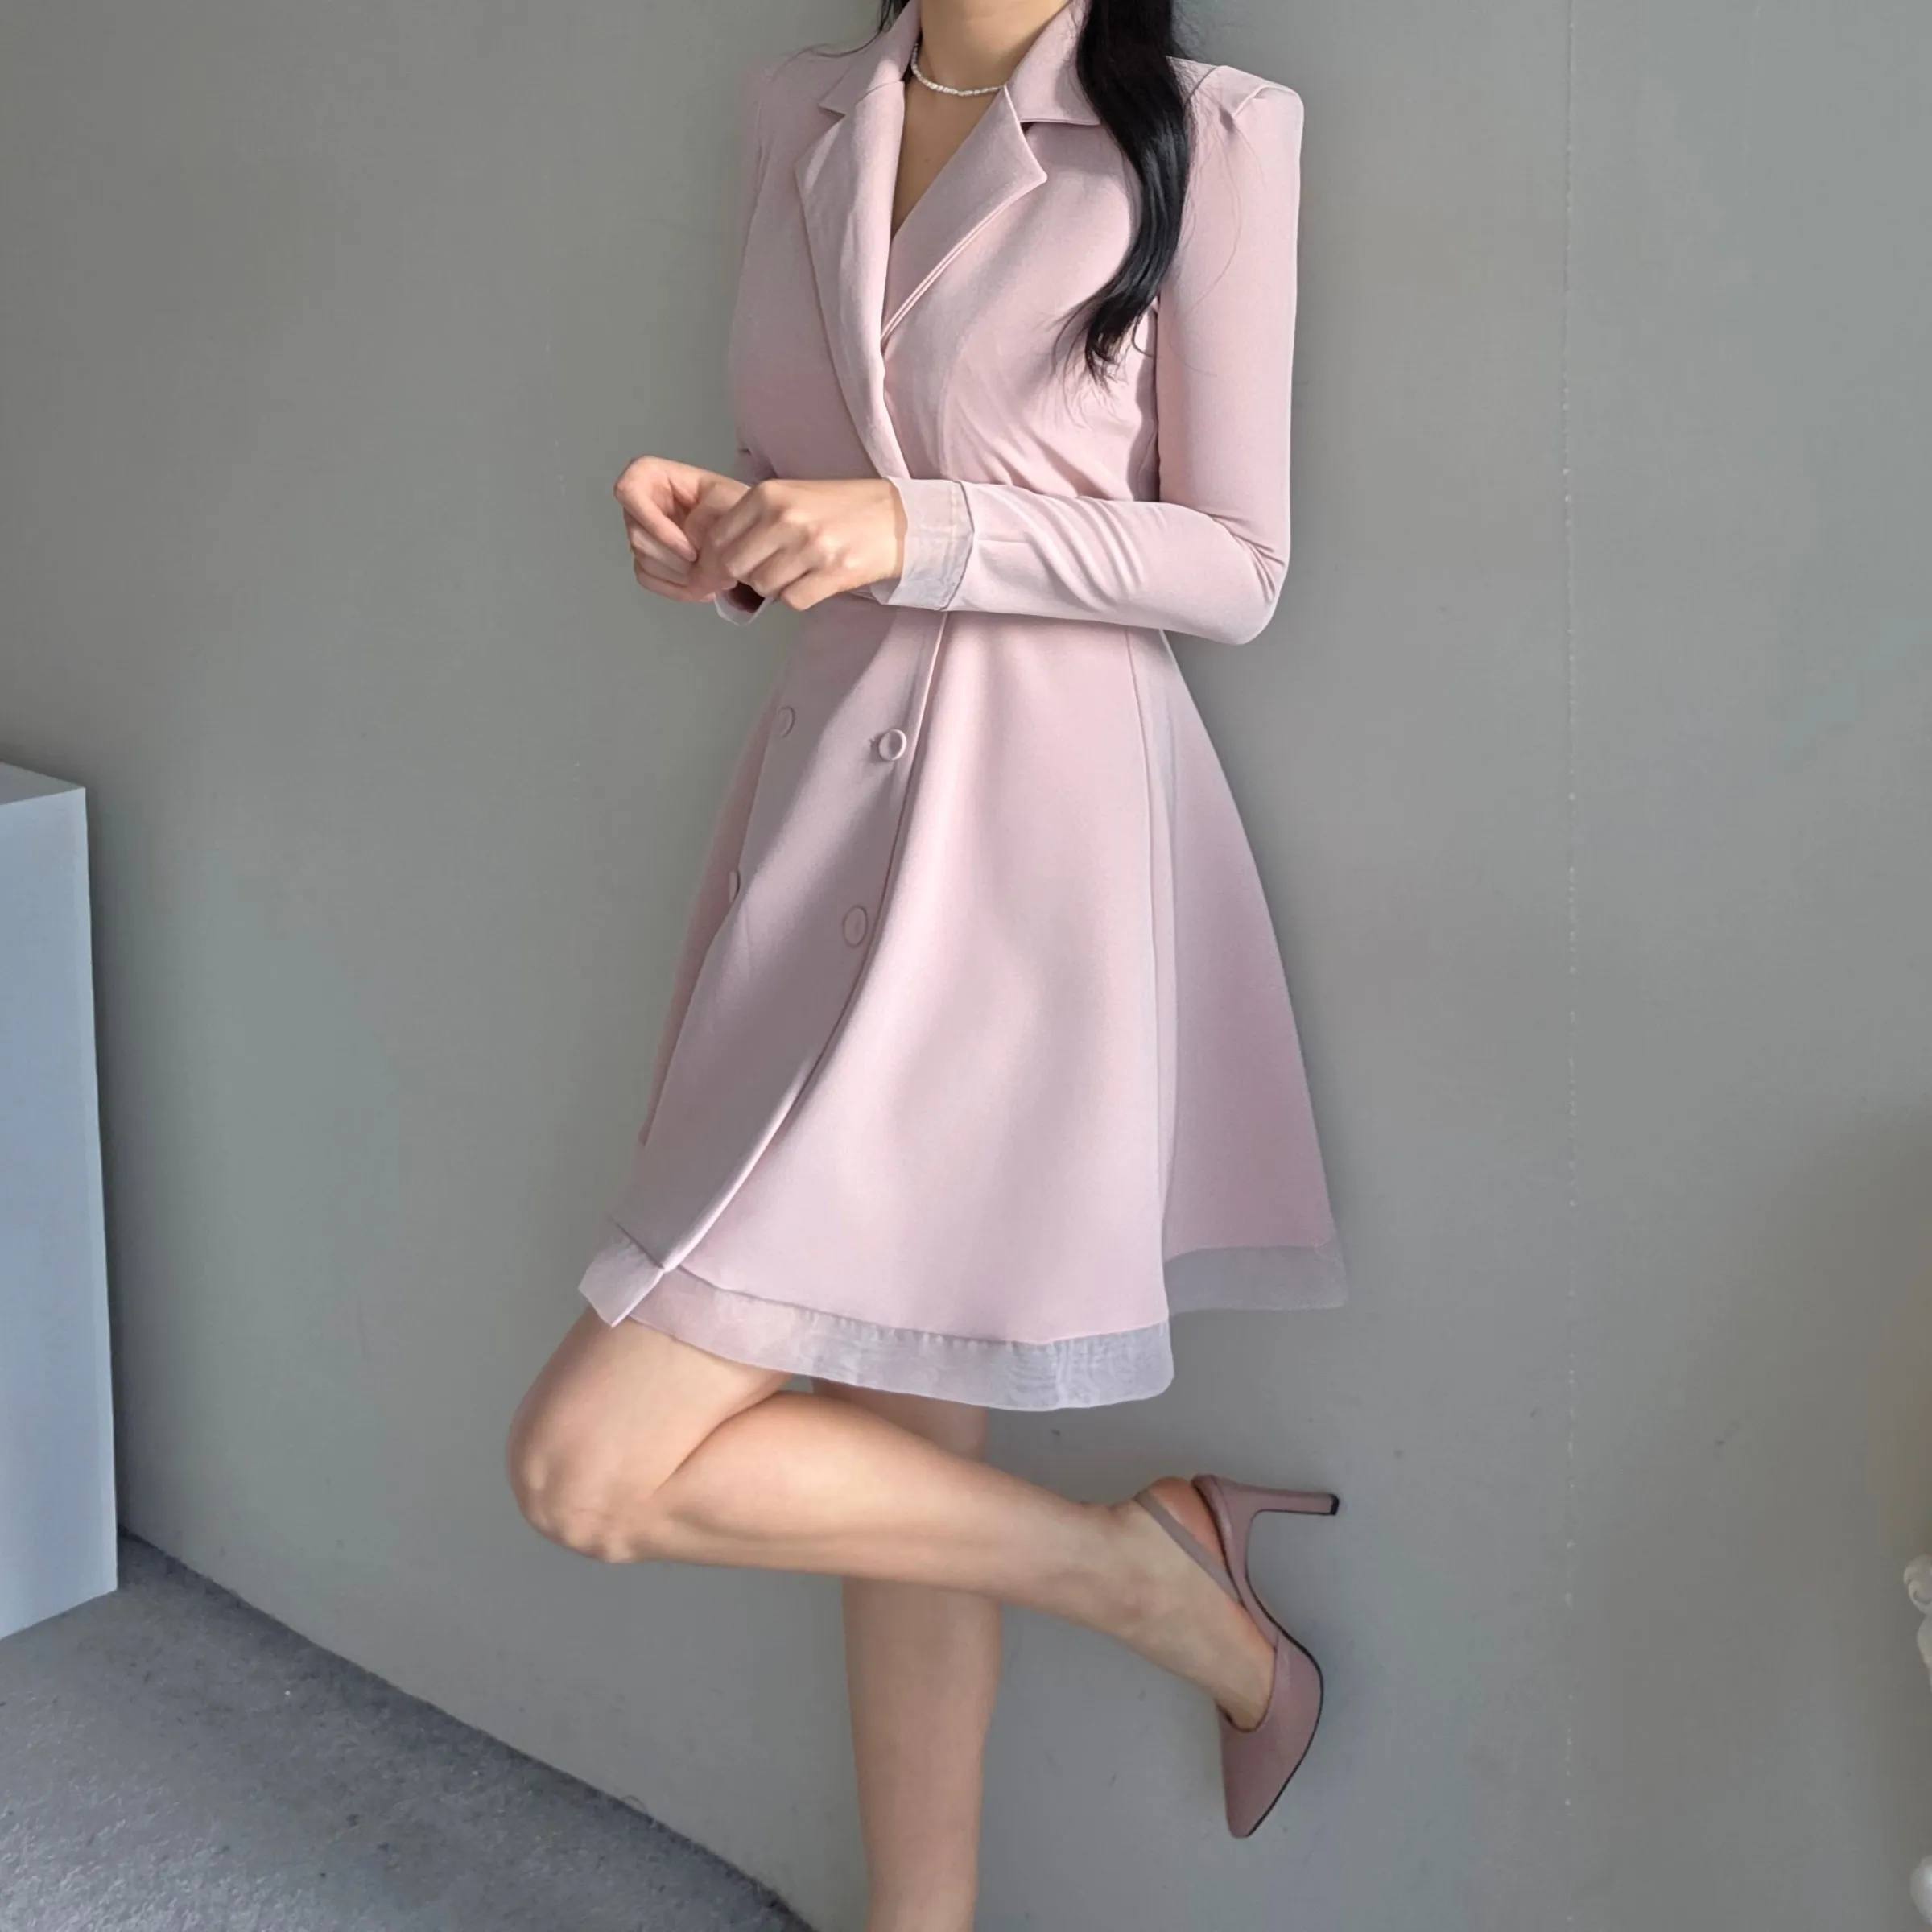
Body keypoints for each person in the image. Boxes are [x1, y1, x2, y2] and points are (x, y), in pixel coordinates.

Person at [507, 0, 1347, 1918]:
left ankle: (1151, 1588)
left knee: (588, 1468)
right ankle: (1135, 1606)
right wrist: (728, 537)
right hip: (828, 817)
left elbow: (1236, 561)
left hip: (1032, 855)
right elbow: (820, 466)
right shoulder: (803, 111)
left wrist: (916, 524)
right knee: (889, 1439)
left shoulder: (1211, 132)